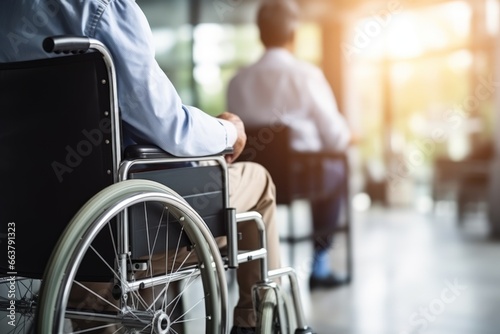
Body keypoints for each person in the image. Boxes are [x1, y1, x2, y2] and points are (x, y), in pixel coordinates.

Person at [0, 1, 279, 333]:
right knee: (258, 182)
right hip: (117, 229)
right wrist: (229, 132)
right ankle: (253, 322)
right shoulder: (101, 8)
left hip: (29, 228)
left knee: (128, 204)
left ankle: (92, 295)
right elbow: (168, 126)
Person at [227, 0, 352, 289]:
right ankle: (319, 265)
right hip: (301, 179)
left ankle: (247, 263)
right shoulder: (306, 75)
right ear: (294, 34)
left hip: (253, 183)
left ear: (260, 34)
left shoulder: (237, 81)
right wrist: (348, 136)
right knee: (338, 169)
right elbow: (335, 137)